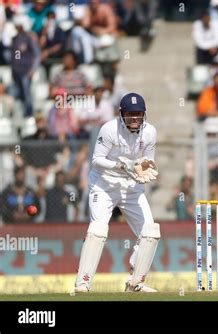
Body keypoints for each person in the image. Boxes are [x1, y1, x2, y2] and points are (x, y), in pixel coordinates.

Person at [74, 92, 160, 293]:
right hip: (104, 185)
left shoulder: (150, 132)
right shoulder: (109, 129)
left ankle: (135, 283)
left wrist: (142, 171)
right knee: (98, 229)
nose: (135, 118)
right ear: (121, 114)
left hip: (131, 187)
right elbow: (96, 160)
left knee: (151, 232)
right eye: (130, 114)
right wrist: (123, 166)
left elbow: (148, 162)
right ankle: (83, 283)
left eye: (138, 114)